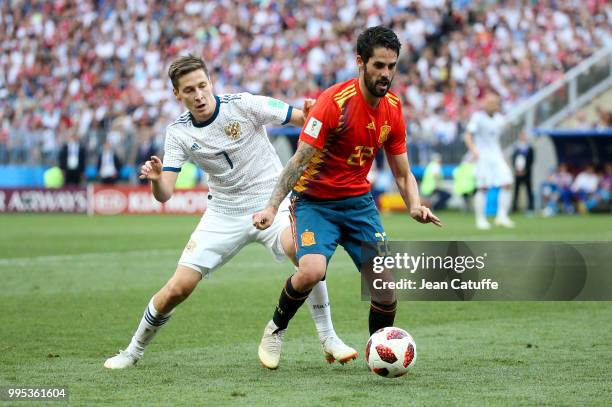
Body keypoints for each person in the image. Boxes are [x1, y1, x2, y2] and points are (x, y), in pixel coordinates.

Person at [104, 55, 355, 369]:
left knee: (304, 254)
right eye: (189, 90)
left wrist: (311, 112)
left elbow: (299, 117)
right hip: (223, 214)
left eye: (202, 86)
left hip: (272, 204)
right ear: (176, 95)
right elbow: (165, 194)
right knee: (178, 288)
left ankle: (328, 338)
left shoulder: (245, 104)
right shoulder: (178, 133)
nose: (198, 95)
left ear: (211, 83)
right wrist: (156, 181)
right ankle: (132, 351)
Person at [252, 26, 441, 370]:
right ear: (360, 62)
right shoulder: (332, 103)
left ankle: (380, 355)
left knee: (385, 289)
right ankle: (275, 329)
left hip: (358, 205)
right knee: (312, 271)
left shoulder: (394, 109)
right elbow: (299, 161)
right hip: (315, 202)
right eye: (379, 66)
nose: (386, 74)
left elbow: (402, 172)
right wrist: (270, 206)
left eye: (391, 66)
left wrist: (414, 204)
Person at [463, 91, 514, 230]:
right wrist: (473, 150)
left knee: (507, 182)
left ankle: (502, 216)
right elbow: (468, 135)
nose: (493, 105)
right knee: (483, 187)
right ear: (485, 103)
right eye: (490, 102)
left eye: (496, 103)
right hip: (482, 156)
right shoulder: (478, 117)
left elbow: (505, 130)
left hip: (496, 155)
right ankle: (480, 219)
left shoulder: (499, 119)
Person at [511, 131, 535, 213]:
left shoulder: (529, 148)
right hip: (518, 173)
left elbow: (531, 160)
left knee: (529, 190)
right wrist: (517, 170)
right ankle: (514, 208)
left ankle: (531, 207)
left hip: (527, 173)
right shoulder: (516, 148)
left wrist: (525, 170)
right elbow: (513, 160)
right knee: (516, 191)